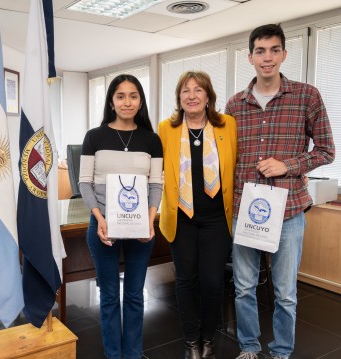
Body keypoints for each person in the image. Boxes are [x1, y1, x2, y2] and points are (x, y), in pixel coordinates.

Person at [224, 24, 335, 359]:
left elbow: (326, 150)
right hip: (245, 209)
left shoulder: (307, 96)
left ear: (284, 54)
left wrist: (288, 165)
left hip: (288, 212)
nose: (267, 57)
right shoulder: (234, 104)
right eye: (260, 51)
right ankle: (248, 347)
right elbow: (227, 158)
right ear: (250, 57)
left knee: (285, 293)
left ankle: (282, 351)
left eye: (274, 50)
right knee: (243, 288)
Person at [79, 74, 163, 359]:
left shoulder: (151, 140)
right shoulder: (95, 136)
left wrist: (150, 220)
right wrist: (99, 218)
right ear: (112, 102)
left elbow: (155, 184)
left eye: (133, 96)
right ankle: (114, 355)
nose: (127, 102)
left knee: (135, 296)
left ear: (140, 101)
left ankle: (134, 354)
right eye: (120, 96)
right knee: (110, 296)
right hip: (103, 226)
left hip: (141, 227)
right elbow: (84, 182)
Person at [158, 71, 237, 359]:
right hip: (181, 217)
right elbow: (158, 171)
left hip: (217, 217)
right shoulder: (166, 128)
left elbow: (239, 162)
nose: (192, 95)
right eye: (185, 91)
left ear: (208, 96)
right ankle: (191, 340)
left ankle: (208, 339)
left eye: (198, 90)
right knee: (185, 280)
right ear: (179, 98)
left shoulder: (227, 125)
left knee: (214, 281)